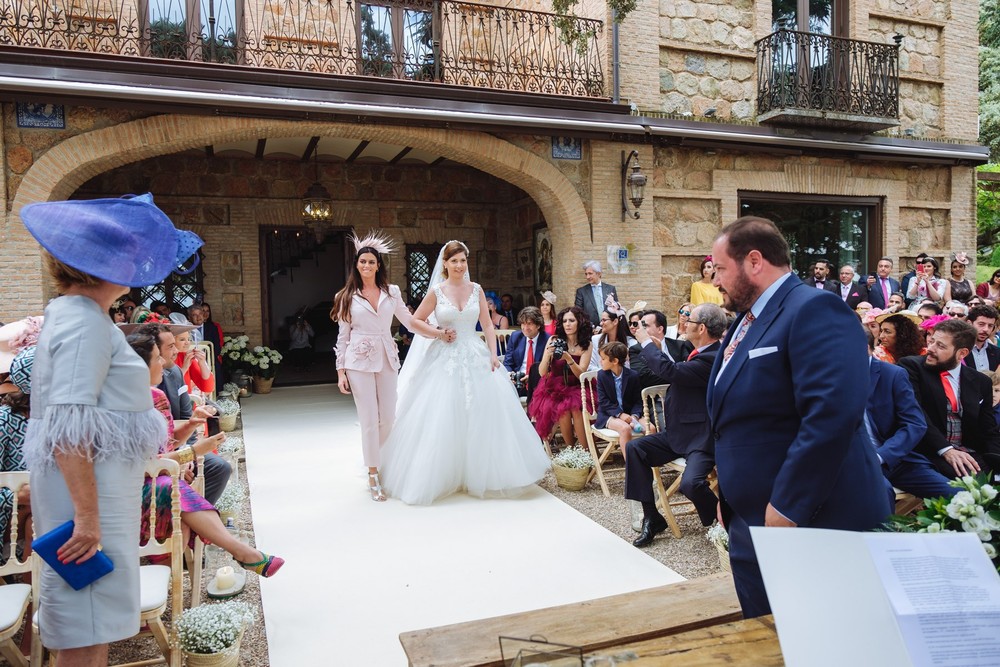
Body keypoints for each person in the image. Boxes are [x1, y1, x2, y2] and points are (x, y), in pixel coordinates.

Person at [21, 194, 201, 663]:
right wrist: (86, 518)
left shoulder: (83, 316)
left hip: (98, 498)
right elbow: (68, 427)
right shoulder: (82, 324)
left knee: (93, 630)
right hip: (85, 506)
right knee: (84, 632)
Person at [708, 216, 891, 619]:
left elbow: (832, 414)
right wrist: (729, 494)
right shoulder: (746, 319)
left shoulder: (815, 308)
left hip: (810, 518)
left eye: (720, 268)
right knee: (767, 640)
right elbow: (734, 413)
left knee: (826, 638)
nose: (715, 280)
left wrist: (789, 505)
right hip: (753, 519)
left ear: (754, 261)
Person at [379, 241, 550, 505]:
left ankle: (482, 472)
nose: (459, 265)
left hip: (474, 352)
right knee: (442, 413)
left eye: (463, 260)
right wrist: (438, 333)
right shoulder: (437, 291)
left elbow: (487, 324)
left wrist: (493, 354)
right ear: (445, 264)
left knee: (482, 412)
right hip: (444, 357)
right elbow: (415, 321)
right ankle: (441, 473)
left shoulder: (477, 289)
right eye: (454, 261)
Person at [128, 332, 283, 576]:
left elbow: (167, 444)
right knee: (169, 486)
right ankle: (241, 552)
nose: (165, 361)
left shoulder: (158, 396)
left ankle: (185, 559)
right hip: (132, 483)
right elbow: (135, 464)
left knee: (188, 477)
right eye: (158, 357)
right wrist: (189, 455)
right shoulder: (120, 405)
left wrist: (190, 427)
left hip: (163, 470)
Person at [332, 232, 446, 502]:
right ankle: (373, 472)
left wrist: (437, 332)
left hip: (386, 357)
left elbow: (409, 322)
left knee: (389, 418)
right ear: (356, 266)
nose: (367, 266)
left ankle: (380, 459)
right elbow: (342, 337)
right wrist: (340, 372)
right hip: (357, 361)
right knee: (369, 419)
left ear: (378, 265)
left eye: (372, 262)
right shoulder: (346, 296)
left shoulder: (391, 292)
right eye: (363, 262)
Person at [626, 303, 725, 547]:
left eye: (689, 320)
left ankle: (722, 521)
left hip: (700, 438)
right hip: (679, 433)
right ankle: (652, 516)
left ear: (701, 328)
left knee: (691, 483)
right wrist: (659, 349)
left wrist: (645, 343)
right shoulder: (698, 350)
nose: (684, 323)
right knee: (635, 449)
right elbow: (678, 369)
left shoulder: (712, 358)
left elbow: (671, 371)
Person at [899, 318, 1000, 479]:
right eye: (932, 341)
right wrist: (946, 449)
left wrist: (996, 459)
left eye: (940, 346)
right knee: (973, 486)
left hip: (969, 453)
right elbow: (916, 414)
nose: (930, 349)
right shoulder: (912, 367)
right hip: (929, 452)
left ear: (962, 353)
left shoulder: (981, 382)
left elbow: (989, 429)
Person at [862, 329, 955, 500]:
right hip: (854, 462)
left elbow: (914, 423)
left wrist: (881, 456)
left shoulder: (892, 374)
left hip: (893, 458)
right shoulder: (829, 375)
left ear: (867, 348)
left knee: (958, 496)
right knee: (881, 494)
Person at [529, 306, 593, 448]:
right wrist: (548, 355)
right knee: (563, 410)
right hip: (554, 388)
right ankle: (571, 450)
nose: (567, 324)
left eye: (571, 320)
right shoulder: (554, 339)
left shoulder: (586, 345)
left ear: (580, 322)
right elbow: (542, 373)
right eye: (564, 321)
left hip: (577, 386)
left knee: (576, 408)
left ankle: (586, 451)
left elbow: (581, 374)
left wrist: (568, 358)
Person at [593, 341, 643, 448]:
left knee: (651, 428)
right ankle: (631, 463)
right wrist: (620, 414)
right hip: (609, 414)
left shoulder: (633, 376)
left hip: (630, 413)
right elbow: (603, 402)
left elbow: (638, 400)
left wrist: (634, 416)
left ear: (615, 361)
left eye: (603, 359)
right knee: (625, 429)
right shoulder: (602, 375)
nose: (600, 361)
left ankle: (651, 463)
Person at [502, 307, 549, 400]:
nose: (525, 328)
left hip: (538, 381)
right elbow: (508, 362)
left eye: (529, 324)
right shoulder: (515, 337)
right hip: (517, 379)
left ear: (538, 325)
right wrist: (510, 374)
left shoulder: (547, 340)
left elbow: (549, 367)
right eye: (523, 323)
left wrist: (531, 377)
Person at [587, 298, 635, 371]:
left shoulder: (631, 343)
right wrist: (606, 375)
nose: (600, 324)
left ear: (615, 321)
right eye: (601, 320)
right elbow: (590, 366)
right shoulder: (596, 339)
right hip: (601, 380)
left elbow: (632, 369)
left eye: (604, 320)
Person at [574, 261, 618, 331]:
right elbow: (578, 313)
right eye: (586, 274)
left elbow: (615, 309)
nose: (587, 277)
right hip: (590, 330)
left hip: (609, 329)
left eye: (590, 273)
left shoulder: (610, 289)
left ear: (599, 273)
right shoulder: (581, 292)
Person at [967, 305, 1000, 371]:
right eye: (981, 324)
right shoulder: (958, 349)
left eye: (990, 326)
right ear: (969, 324)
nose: (986, 329)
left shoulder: (997, 352)